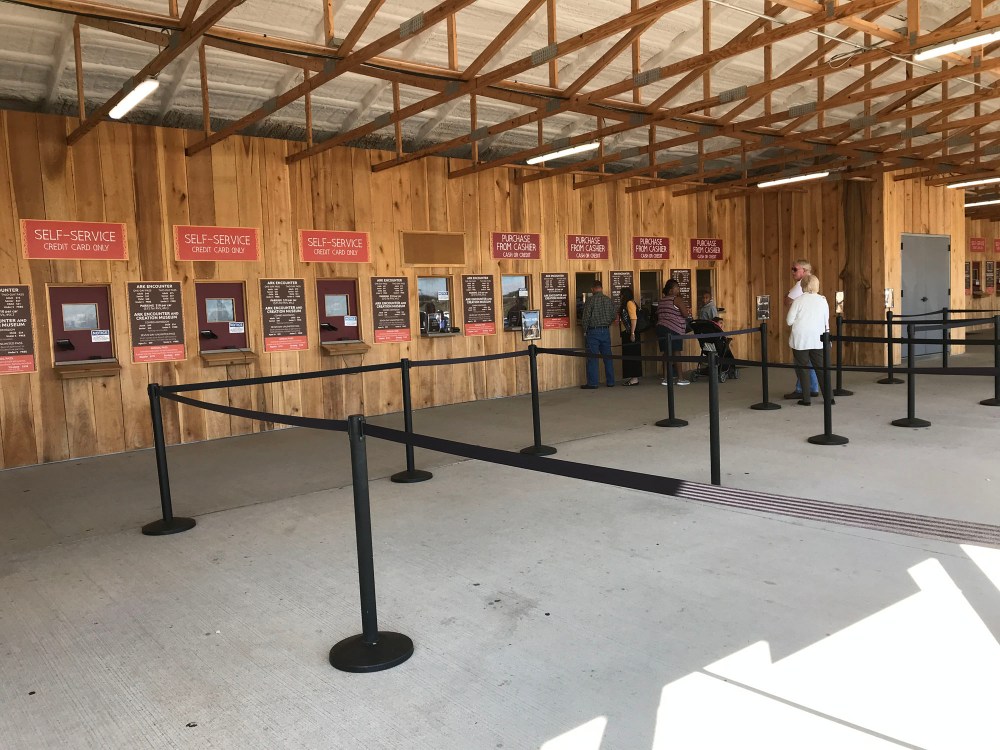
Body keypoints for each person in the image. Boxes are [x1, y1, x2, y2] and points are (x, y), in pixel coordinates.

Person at [786, 273, 832, 406]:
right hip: (819, 339)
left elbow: (789, 321)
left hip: (801, 339)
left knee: (803, 368)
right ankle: (829, 397)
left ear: (802, 286)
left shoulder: (798, 301)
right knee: (822, 369)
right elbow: (826, 321)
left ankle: (806, 399)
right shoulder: (823, 300)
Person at [784, 259, 820, 399]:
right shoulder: (821, 298)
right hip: (816, 331)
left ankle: (803, 390)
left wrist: (790, 298)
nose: (792, 272)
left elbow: (787, 301)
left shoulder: (800, 286)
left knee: (801, 362)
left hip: (802, 332)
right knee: (811, 362)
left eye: (795, 269)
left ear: (804, 271)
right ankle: (813, 387)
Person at [580, 279, 616, 389]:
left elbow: (586, 317)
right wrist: (607, 324)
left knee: (592, 358)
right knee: (608, 357)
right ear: (601, 288)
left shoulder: (590, 301)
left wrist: (585, 330)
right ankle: (610, 382)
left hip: (593, 332)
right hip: (605, 331)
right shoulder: (608, 300)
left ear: (592, 289)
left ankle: (593, 383)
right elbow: (613, 316)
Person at [656, 279, 691, 386]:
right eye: (677, 287)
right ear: (671, 290)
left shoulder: (661, 300)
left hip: (661, 328)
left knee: (666, 353)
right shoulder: (677, 299)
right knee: (676, 352)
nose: (678, 289)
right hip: (674, 328)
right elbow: (685, 314)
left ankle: (665, 379)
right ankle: (680, 378)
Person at [619, 287, 642, 386]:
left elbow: (633, 319)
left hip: (631, 333)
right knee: (630, 355)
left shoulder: (629, 303)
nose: (620, 296)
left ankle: (634, 378)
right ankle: (633, 378)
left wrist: (632, 333)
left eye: (621, 294)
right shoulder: (629, 303)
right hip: (628, 332)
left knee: (632, 354)